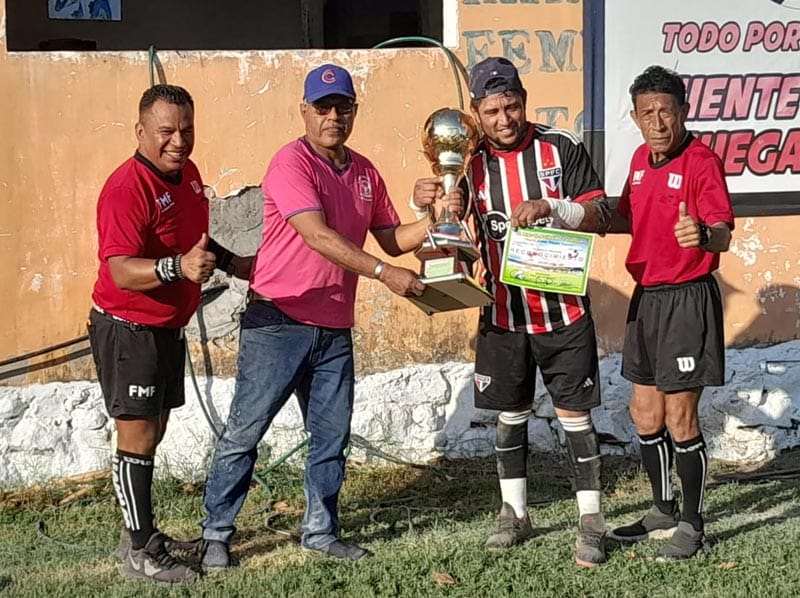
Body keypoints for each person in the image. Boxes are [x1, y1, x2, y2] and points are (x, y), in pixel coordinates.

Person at [199, 63, 462, 567]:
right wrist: (386, 274)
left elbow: (391, 237)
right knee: (245, 431)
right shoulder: (290, 163)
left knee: (331, 436)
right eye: (322, 108)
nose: (333, 117)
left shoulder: (364, 172)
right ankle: (216, 532)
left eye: (342, 107)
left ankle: (321, 529)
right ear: (305, 112)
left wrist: (434, 219)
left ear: (354, 112)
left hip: (334, 325)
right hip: (278, 319)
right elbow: (317, 235)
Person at [413, 57, 612, 567]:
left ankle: (591, 519)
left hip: (563, 311)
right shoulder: (467, 162)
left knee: (575, 415)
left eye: (513, 106)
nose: (505, 119)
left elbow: (602, 212)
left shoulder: (559, 146)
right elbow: (452, 243)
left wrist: (554, 209)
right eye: (493, 110)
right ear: (477, 112)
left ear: (525, 100)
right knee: (510, 414)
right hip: (502, 315)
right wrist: (431, 211)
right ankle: (514, 513)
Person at [88, 84, 251, 584]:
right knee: (135, 436)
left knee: (154, 431)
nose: (178, 141)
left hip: (166, 327)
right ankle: (140, 553)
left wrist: (237, 263)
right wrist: (176, 268)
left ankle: (141, 533)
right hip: (128, 326)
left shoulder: (190, 175)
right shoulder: (126, 187)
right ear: (140, 132)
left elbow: (195, 242)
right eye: (165, 131)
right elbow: (120, 270)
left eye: (186, 130)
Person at [606, 65, 733, 560]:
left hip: (688, 298)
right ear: (635, 118)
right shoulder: (639, 159)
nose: (657, 122)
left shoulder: (702, 162)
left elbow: (723, 229)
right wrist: (570, 216)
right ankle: (661, 508)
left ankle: (692, 523)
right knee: (644, 412)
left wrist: (702, 235)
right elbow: (623, 217)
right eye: (646, 113)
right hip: (648, 298)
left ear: (683, 111)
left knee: (681, 415)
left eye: (666, 111)